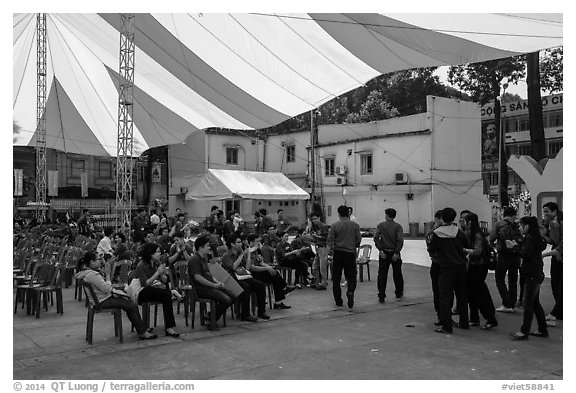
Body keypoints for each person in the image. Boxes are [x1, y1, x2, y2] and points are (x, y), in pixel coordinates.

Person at [75, 252, 157, 340]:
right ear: (92, 262)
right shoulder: (92, 275)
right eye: (99, 259)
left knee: (128, 302)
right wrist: (107, 274)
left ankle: (141, 327)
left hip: (100, 298)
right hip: (102, 301)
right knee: (130, 305)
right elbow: (106, 288)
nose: (101, 262)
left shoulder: (87, 272)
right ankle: (142, 332)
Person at [428, 207, 470, 334]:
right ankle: (464, 322)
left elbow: (431, 250)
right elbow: (467, 246)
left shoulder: (437, 233)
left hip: (446, 268)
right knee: (462, 296)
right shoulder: (459, 231)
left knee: (445, 297)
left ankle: (447, 326)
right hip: (461, 267)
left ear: (442, 218)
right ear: (453, 218)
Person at [511, 216, 549, 340]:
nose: (520, 229)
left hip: (532, 274)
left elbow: (525, 254)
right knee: (535, 302)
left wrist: (514, 247)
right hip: (536, 272)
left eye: (521, 226)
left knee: (528, 304)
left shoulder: (531, 239)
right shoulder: (534, 238)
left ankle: (524, 332)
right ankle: (542, 329)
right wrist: (519, 244)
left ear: (527, 226)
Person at [188, 235, 234, 329]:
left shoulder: (204, 258)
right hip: (202, 289)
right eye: (207, 246)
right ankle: (211, 319)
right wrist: (214, 285)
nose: (209, 248)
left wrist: (218, 282)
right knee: (226, 299)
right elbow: (198, 278)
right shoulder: (194, 260)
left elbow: (209, 275)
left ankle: (210, 315)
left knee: (233, 295)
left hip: (210, 286)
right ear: (201, 247)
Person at [134, 243, 180, 337]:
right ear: (151, 254)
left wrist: (162, 274)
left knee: (166, 297)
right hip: (141, 292)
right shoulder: (141, 265)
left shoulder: (156, 263)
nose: (160, 254)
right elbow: (145, 284)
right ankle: (172, 292)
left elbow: (164, 280)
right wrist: (157, 273)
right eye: (158, 252)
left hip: (154, 290)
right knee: (154, 290)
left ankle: (169, 328)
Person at [221, 235, 269, 321]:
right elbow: (233, 268)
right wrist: (242, 255)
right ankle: (245, 314)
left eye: (240, 242)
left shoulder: (240, 253)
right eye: (238, 242)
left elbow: (247, 268)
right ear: (232, 244)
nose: (240, 244)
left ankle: (261, 312)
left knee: (260, 285)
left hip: (242, 276)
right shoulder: (226, 256)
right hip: (232, 279)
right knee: (246, 287)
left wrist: (249, 254)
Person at [463, 213, 498, 330]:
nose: (462, 223)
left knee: (477, 293)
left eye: (463, 220)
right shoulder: (477, 233)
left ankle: (490, 318)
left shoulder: (476, 235)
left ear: (469, 222)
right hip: (476, 266)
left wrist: (464, 250)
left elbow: (477, 251)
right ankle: (474, 318)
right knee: (473, 292)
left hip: (478, 267)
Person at [245, 234, 294, 310]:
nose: (258, 242)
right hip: (252, 274)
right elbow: (251, 268)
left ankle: (279, 300)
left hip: (260, 270)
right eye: (257, 241)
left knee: (274, 273)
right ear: (251, 242)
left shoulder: (256, 250)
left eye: (259, 241)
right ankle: (284, 288)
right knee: (274, 274)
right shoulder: (248, 251)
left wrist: (268, 267)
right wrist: (267, 269)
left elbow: (261, 262)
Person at [327, 205, 362, 309]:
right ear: (348, 213)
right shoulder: (355, 225)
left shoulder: (334, 225)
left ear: (339, 214)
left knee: (336, 278)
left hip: (338, 253)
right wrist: (353, 245)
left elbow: (330, 240)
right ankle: (350, 291)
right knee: (351, 276)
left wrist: (329, 252)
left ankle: (338, 300)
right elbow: (358, 240)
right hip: (350, 253)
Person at [489, 207, 523, 313]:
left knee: (500, 279)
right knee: (513, 280)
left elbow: (492, 238)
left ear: (504, 214)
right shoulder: (517, 225)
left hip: (503, 255)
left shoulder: (499, 224)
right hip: (516, 255)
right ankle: (512, 303)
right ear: (514, 215)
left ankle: (506, 303)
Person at [374, 208, 405, 302]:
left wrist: (380, 249)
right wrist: (396, 252)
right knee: (397, 273)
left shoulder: (381, 225)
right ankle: (399, 293)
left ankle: (381, 295)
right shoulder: (398, 226)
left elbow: (376, 238)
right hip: (394, 252)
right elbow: (400, 240)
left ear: (386, 215)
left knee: (382, 274)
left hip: (384, 252)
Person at [542, 202, 562, 325]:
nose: (545, 214)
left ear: (554, 212)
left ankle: (556, 312)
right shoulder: (558, 221)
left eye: (546, 211)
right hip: (559, 254)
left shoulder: (554, 223)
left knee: (557, 285)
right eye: (544, 211)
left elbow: (554, 241)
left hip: (559, 255)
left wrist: (544, 236)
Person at [426, 210, 443, 325]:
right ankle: (441, 315)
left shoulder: (433, 233)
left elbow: (430, 249)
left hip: (439, 264)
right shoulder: (456, 232)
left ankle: (442, 315)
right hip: (444, 264)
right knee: (440, 290)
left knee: (440, 291)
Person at [308, 212, 330, 290]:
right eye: (312, 219)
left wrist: (316, 236)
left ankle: (323, 283)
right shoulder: (315, 227)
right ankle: (316, 282)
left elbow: (325, 237)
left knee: (322, 267)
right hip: (317, 247)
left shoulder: (324, 226)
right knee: (314, 266)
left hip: (323, 247)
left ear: (319, 218)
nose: (314, 220)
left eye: (315, 218)